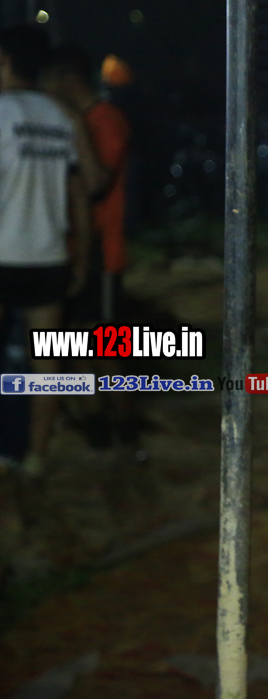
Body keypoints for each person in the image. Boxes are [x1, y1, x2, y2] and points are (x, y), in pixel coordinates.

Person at [0, 26, 91, 476]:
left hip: (3, 254)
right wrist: (83, 259)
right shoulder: (59, 116)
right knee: (46, 363)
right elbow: (81, 191)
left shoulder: (1, 112)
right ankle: (36, 453)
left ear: (4, 61)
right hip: (49, 256)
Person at [42, 44, 130, 323]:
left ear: (68, 79)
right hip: (71, 250)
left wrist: (74, 123)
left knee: (102, 343)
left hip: (99, 254)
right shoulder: (73, 121)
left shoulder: (106, 120)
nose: (43, 88)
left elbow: (94, 183)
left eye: (48, 78)